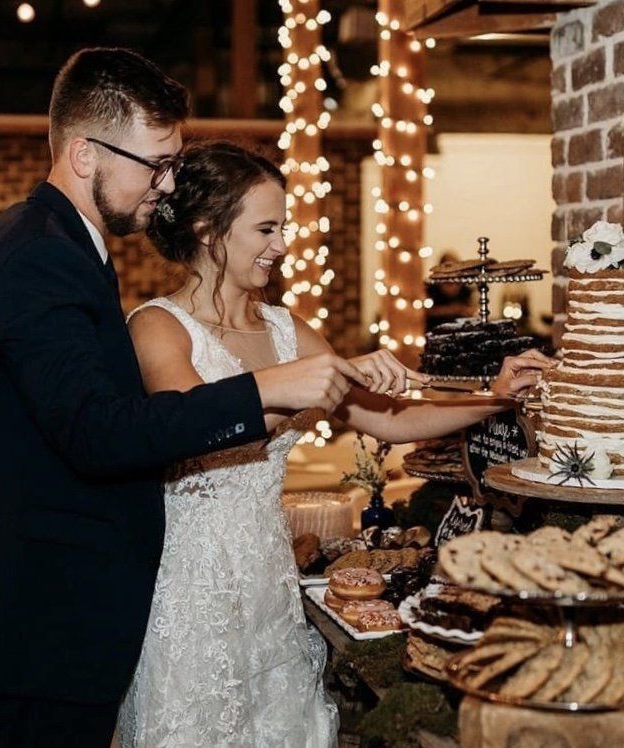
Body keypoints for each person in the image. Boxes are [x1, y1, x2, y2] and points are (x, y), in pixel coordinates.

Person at [117, 141, 555, 746]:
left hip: (268, 582)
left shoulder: (285, 327)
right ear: (207, 230)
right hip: (190, 589)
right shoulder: (157, 326)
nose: (281, 246)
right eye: (266, 228)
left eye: (283, 228)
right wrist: (306, 388)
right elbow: (197, 426)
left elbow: (393, 419)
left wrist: (498, 396)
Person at [0, 48, 371, 748]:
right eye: (155, 164)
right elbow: (95, 431)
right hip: (41, 618)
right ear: (84, 154)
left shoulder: (69, 246)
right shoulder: (40, 253)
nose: (167, 186)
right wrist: (262, 387)